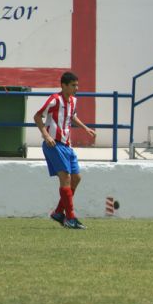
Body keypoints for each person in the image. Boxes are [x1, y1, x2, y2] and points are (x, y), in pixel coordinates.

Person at [34, 72, 96, 230]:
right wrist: (46, 135)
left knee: (76, 178)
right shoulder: (54, 99)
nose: (77, 88)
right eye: (73, 85)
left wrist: (86, 128)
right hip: (54, 145)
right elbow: (37, 116)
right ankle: (70, 218)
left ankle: (59, 213)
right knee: (66, 178)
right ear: (64, 85)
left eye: (77, 85)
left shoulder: (74, 101)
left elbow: (72, 117)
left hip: (67, 146)